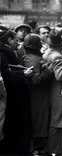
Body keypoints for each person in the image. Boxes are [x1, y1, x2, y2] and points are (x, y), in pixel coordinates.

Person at [0, 25, 33, 155]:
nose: (17, 43)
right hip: (13, 94)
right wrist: (23, 74)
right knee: (14, 123)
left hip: (13, 94)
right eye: (15, 40)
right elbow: (7, 75)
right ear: (9, 40)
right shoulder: (3, 53)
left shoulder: (7, 51)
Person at [22, 33, 52, 155]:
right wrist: (48, 69)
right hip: (37, 96)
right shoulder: (33, 59)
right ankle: (35, 149)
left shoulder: (29, 56)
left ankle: (36, 147)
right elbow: (36, 79)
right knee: (38, 121)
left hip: (36, 95)